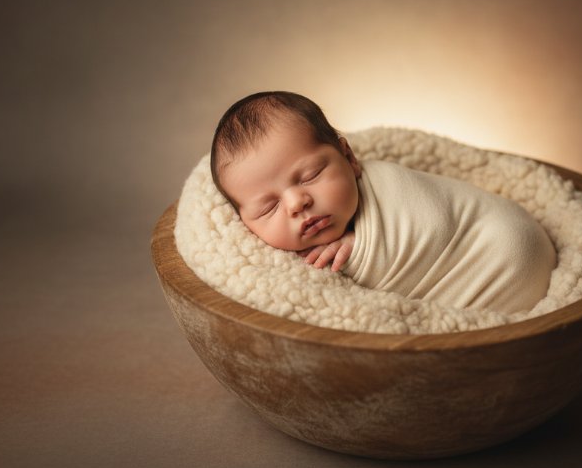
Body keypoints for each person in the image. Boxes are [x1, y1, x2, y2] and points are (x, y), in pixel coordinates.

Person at [210, 91, 556, 313]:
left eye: (310, 175)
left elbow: (434, 222)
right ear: (244, 222)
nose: (297, 203)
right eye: (268, 208)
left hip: (505, 248)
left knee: (510, 239)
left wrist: (359, 247)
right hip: (485, 298)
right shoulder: (271, 270)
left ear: (349, 157)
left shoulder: (388, 183)